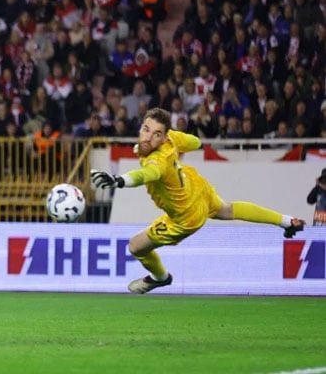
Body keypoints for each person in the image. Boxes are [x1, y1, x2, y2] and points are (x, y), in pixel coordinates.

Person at [90, 108, 306, 294]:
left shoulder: (158, 160)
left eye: (156, 134)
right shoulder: (171, 138)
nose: (147, 138)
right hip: (196, 188)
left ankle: (161, 277)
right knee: (228, 210)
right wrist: (173, 138)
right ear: (141, 127)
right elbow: (196, 142)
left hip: (185, 216)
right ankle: (287, 221)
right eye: (146, 130)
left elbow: (146, 175)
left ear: (163, 138)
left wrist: (119, 180)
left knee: (136, 247)